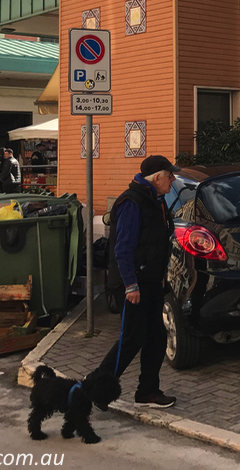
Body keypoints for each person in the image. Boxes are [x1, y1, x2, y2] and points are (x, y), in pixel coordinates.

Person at [99, 155, 180, 408]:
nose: (173, 180)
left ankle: (147, 391)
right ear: (157, 178)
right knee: (132, 338)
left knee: (156, 336)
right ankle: (97, 389)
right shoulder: (132, 202)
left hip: (152, 281)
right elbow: (123, 248)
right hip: (133, 284)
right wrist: (131, 285)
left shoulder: (157, 201)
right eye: (170, 176)